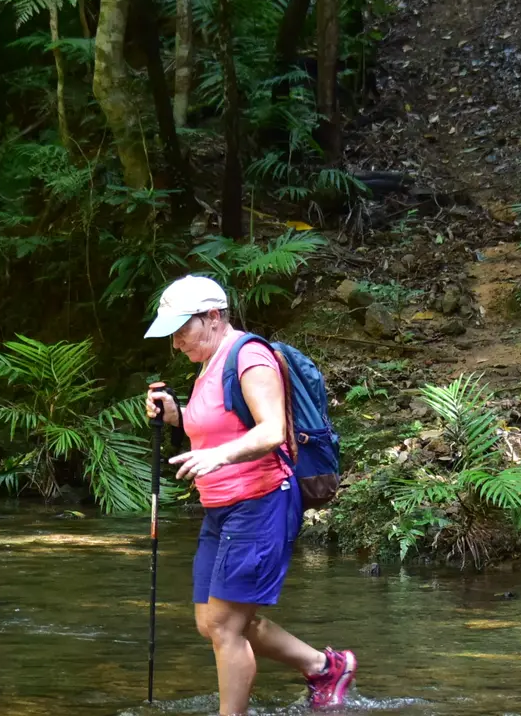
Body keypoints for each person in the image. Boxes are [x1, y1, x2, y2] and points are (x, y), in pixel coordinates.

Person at [142, 274, 357, 714]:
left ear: (214, 317)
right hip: (221, 507)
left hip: (260, 501)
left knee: (224, 625)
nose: (177, 343)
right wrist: (176, 415)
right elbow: (216, 427)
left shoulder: (250, 358)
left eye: (182, 330)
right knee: (212, 622)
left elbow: (272, 430)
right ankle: (324, 667)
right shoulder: (209, 362)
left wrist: (218, 457)